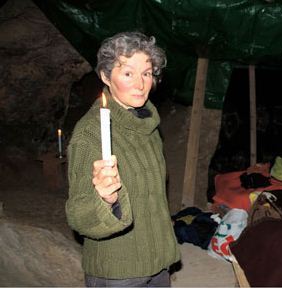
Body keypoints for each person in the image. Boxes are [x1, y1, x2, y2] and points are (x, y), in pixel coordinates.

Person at [66, 31, 180, 287]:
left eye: (147, 73)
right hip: (119, 270)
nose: (140, 84)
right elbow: (78, 216)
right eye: (128, 73)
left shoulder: (147, 125)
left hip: (157, 261)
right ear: (106, 76)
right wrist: (106, 200)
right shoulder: (89, 135)